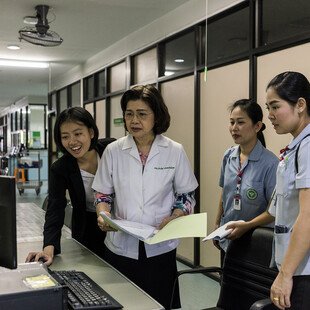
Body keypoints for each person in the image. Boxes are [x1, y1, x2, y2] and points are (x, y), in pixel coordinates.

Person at [92, 84, 198, 309]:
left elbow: (186, 194)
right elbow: (103, 193)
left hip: (160, 246)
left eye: (142, 114)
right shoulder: (113, 151)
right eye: (129, 114)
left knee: (158, 304)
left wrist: (176, 215)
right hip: (120, 246)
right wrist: (103, 215)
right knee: (121, 304)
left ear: (156, 116)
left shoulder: (174, 150)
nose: (134, 120)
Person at [26, 107, 115, 266]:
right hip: (88, 228)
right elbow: (55, 209)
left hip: (120, 221)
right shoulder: (61, 168)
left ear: (91, 132)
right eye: (65, 136)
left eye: (78, 133)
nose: (72, 142)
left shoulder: (111, 149)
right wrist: (48, 249)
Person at [265, 71, 310, 310]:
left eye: (275, 107)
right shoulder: (296, 147)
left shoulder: (308, 147)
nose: (270, 116)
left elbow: (308, 216)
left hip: (303, 271)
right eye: (267, 108)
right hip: (294, 265)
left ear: (300, 104)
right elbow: (281, 207)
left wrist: (285, 275)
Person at [214, 99, 278, 257]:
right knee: (226, 281)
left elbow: (273, 211)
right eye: (231, 122)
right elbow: (225, 192)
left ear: (257, 126)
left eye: (240, 122)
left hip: (255, 241)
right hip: (228, 235)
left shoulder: (271, 164)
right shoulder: (228, 155)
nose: (234, 128)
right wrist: (217, 224)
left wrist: (247, 226)